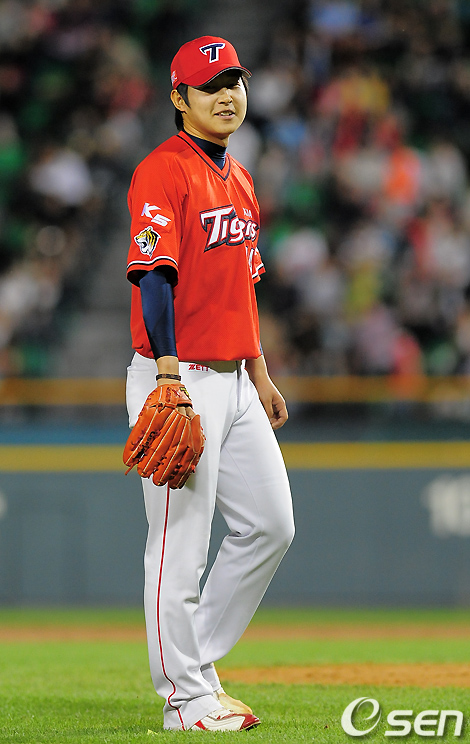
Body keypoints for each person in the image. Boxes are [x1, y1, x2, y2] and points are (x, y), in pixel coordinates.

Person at [125, 36, 294, 732]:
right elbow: (153, 277)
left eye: (235, 82)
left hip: (236, 377)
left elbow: (242, 287)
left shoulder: (241, 179)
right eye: (210, 85)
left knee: (271, 526)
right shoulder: (162, 170)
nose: (227, 95)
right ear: (179, 98)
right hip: (179, 376)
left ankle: (197, 664)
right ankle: (185, 700)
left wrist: (259, 370)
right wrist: (167, 373)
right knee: (180, 546)